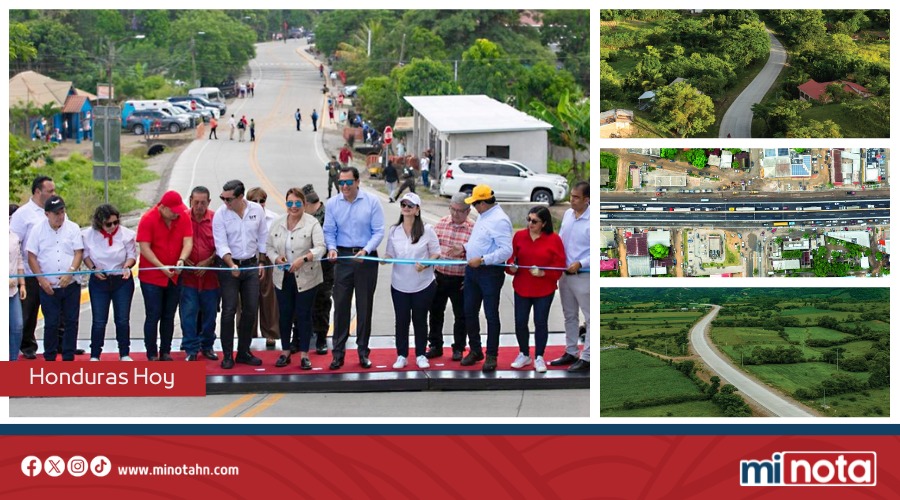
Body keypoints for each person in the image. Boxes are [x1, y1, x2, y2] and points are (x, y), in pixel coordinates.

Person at [323, 166, 384, 370]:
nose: (345, 186)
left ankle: (363, 352)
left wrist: (366, 250)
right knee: (340, 306)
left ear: (357, 182)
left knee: (364, 307)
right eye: (341, 183)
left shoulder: (372, 202)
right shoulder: (332, 204)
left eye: (349, 182)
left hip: (365, 258)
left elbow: (378, 232)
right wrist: (331, 249)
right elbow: (329, 231)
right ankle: (338, 353)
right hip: (343, 257)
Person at [213, 180, 269, 369]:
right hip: (229, 265)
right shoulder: (221, 215)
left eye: (229, 199)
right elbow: (221, 244)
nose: (225, 202)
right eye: (223, 198)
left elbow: (262, 236)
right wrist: (231, 264)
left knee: (251, 309)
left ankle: (244, 351)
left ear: (240, 197)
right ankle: (227, 354)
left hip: (251, 265)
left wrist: (261, 261)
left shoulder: (256, 210)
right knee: (229, 310)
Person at [267, 188, 325, 369]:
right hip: (283, 277)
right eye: (290, 203)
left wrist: (304, 258)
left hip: (306, 278)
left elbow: (321, 248)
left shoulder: (312, 223)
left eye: (297, 203)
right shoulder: (277, 223)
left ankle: (305, 354)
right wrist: (276, 258)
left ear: (304, 204)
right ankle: (285, 352)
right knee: (284, 315)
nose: (293, 207)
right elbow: (269, 247)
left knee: (304, 315)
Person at [384, 193, 440, 369]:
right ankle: (402, 354)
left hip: (422, 284)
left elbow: (436, 253)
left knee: (420, 319)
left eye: (410, 205)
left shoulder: (427, 230)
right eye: (403, 205)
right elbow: (390, 253)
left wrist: (425, 264)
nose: (406, 208)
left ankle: (421, 354)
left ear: (417, 210)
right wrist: (383, 259)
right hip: (399, 284)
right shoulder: (394, 230)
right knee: (401, 320)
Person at [506, 206, 565, 373]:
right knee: (520, 322)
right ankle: (524, 353)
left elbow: (559, 265)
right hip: (522, 286)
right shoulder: (519, 236)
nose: (530, 223)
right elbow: (511, 259)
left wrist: (543, 273)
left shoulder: (554, 240)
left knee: (540, 322)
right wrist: (512, 267)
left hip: (544, 289)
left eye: (534, 221)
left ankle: (539, 356)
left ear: (544, 223)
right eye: (528, 219)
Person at [461, 185, 513, 372]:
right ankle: (475, 349)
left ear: (483, 203)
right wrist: (465, 248)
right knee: (469, 311)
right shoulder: (484, 216)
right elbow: (481, 242)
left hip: (489, 272)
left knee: (490, 314)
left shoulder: (499, 220)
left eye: (474, 203)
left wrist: (483, 260)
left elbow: (506, 250)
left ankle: (492, 354)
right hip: (472, 271)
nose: (473, 207)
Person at [137, 191, 193, 361]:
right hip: (152, 277)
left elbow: (188, 241)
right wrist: (161, 267)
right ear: (162, 207)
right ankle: (152, 352)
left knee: (169, 315)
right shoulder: (148, 219)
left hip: (174, 275)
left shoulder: (182, 217)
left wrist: (182, 259)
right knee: (153, 314)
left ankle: (166, 350)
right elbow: (144, 248)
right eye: (172, 211)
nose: (176, 213)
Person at [26, 196, 84, 361]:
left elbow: (78, 252)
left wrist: (70, 272)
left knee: (71, 321)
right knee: (51, 322)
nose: (60, 216)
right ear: (47, 214)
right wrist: (41, 280)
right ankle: (50, 356)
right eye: (56, 213)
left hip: (70, 284)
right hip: (48, 286)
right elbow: (32, 256)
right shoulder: (38, 230)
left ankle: (68, 356)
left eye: (62, 211)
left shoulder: (73, 228)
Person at [9, 176, 57, 359]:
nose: (53, 194)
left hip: (53, 270)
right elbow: (15, 243)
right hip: (29, 273)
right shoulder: (23, 215)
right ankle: (27, 346)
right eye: (50, 191)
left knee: (57, 313)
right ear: (38, 191)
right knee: (27, 314)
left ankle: (59, 344)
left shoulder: (55, 209)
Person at [82, 204, 137, 361]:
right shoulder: (88, 235)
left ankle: (124, 353)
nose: (113, 227)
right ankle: (95, 355)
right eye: (108, 224)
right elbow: (86, 255)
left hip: (121, 280)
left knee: (122, 319)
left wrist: (127, 266)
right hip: (100, 281)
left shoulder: (126, 235)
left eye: (116, 222)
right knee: (99, 320)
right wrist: (93, 268)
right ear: (100, 223)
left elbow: (132, 255)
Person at [425, 193, 474, 361]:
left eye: (460, 211)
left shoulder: (473, 229)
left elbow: (476, 255)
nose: (455, 214)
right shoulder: (441, 224)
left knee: (461, 315)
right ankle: (435, 345)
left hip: (460, 279)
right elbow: (431, 248)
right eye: (452, 209)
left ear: (468, 211)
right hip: (439, 275)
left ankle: (459, 347)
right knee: (436, 312)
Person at [551, 181, 591, 373]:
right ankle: (571, 351)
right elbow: (560, 240)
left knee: (590, 318)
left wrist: (581, 263)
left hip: (583, 275)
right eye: (571, 196)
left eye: (576, 197)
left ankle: (588, 357)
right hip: (565, 274)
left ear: (587, 199)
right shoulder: (568, 214)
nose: (571, 200)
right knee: (569, 315)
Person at [179, 187, 220, 362]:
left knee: (210, 315)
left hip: (210, 278)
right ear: (190, 200)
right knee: (188, 314)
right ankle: (191, 349)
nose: (199, 206)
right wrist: (182, 258)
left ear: (209, 202)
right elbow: (174, 242)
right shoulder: (181, 219)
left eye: (203, 202)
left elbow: (223, 245)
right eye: (196, 202)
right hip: (188, 278)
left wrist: (209, 261)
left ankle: (208, 346)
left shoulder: (216, 219)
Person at [245, 187, 280, 349]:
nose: (259, 204)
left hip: (268, 259)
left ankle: (270, 334)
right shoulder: (243, 217)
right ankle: (248, 334)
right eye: (254, 201)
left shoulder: (274, 218)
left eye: (262, 201)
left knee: (269, 298)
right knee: (248, 300)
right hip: (249, 259)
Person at [302, 185, 331, 355]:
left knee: (322, 301)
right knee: (302, 304)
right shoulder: (301, 216)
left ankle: (321, 337)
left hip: (323, 265)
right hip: (303, 266)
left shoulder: (327, 216)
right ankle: (300, 337)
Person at [9, 205, 26, 362]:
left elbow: (19, 261)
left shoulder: (14, 238)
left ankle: (12, 360)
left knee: (17, 326)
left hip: (13, 290)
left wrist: (22, 284)